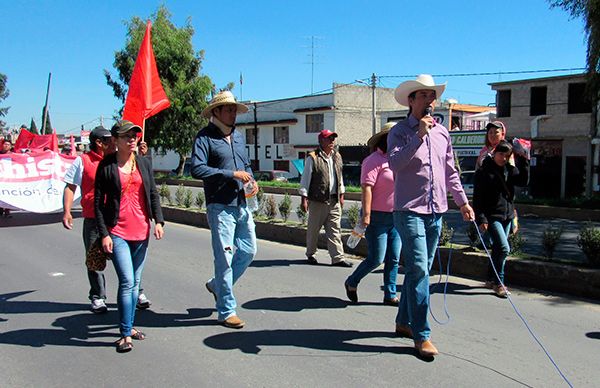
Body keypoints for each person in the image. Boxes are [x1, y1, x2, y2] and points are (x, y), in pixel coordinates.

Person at [388, 74, 474, 358]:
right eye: (423, 95)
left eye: (431, 96)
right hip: (409, 210)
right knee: (421, 271)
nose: (429, 101)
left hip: (436, 211)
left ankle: (403, 321)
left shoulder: (443, 133)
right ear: (411, 101)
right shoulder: (399, 132)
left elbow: (451, 172)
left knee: (418, 270)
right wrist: (418, 135)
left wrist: (462, 202)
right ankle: (422, 335)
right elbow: (396, 164)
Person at [63, 126, 153, 312]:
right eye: (109, 139)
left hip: (118, 219)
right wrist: (67, 211)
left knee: (129, 260)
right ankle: (97, 296)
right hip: (94, 219)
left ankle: (137, 291)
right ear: (99, 143)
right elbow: (70, 187)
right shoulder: (83, 161)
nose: (114, 142)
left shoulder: (125, 159)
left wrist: (143, 156)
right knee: (94, 258)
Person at [94, 120, 164, 353]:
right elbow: (98, 204)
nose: (132, 139)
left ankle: (130, 325)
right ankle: (125, 334)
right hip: (118, 232)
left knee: (135, 283)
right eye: (127, 136)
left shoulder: (143, 162)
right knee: (127, 281)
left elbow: (152, 193)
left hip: (141, 230)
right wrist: (104, 234)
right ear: (116, 140)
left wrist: (159, 221)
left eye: (135, 135)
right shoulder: (106, 166)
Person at [191, 91, 257, 329]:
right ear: (216, 112)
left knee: (249, 251)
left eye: (234, 109)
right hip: (219, 206)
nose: (232, 113)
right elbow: (197, 169)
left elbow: (246, 164)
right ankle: (226, 310)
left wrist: (251, 179)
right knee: (225, 260)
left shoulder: (238, 137)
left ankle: (217, 286)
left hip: (241, 203)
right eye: (228, 109)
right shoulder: (205, 137)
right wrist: (231, 175)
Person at [344, 122, 400, 305]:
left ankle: (390, 294)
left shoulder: (399, 159)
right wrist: (366, 215)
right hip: (376, 216)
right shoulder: (373, 160)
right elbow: (366, 188)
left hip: (397, 216)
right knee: (376, 258)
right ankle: (352, 281)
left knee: (394, 257)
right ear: (386, 139)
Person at [473, 140, 529, 298]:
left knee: (498, 249)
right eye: (501, 154)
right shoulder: (484, 172)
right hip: (492, 217)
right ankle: (499, 283)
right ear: (495, 153)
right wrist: (481, 219)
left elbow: (523, 181)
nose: (503, 158)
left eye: (507, 155)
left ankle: (491, 279)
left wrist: (524, 159)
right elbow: (477, 199)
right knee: (504, 248)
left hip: (507, 215)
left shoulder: (510, 170)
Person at [299, 129, 353, 267]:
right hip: (318, 200)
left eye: (333, 139)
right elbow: (306, 179)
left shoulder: (337, 156)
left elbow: (339, 177)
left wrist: (341, 194)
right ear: (321, 141)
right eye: (329, 139)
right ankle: (311, 254)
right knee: (313, 230)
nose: (332, 142)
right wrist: (303, 199)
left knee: (335, 229)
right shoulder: (313, 158)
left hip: (334, 200)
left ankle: (337, 258)